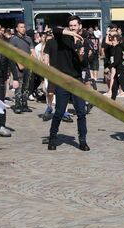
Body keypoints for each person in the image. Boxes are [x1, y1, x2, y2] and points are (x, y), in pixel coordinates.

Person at [47, 16, 90, 151]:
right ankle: (52, 138)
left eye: (75, 26)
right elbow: (55, 30)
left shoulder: (85, 42)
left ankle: (82, 140)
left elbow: (84, 64)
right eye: (70, 26)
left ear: (80, 26)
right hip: (63, 80)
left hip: (76, 80)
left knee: (81, 112)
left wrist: (81, 55)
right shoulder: (63, 38)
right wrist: (71, 34)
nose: (72, 28)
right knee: (59, 111)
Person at [9, 21, 34, 114]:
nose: (23, 29)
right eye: (21, 27)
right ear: (17, 28)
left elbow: (32, 51)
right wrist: (19, 63)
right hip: (18, 66)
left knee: (26, 86)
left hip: (28, 65)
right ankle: (17, 105)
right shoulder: (13, 39)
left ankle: (25, 104)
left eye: (24, 27)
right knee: (19, 86)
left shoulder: (28, 38)